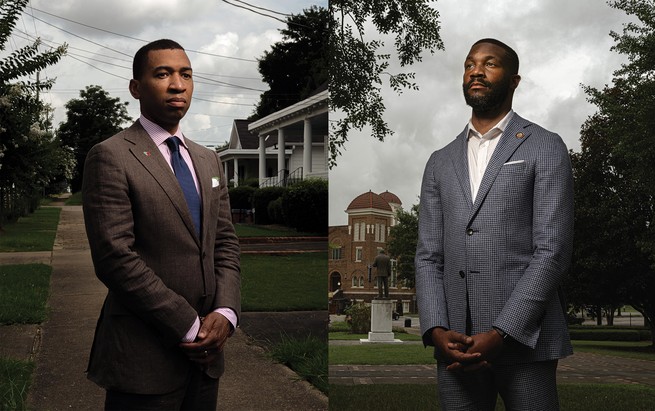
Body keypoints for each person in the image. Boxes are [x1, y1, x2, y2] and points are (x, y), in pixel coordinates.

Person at [415, 38, 574, 410]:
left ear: (514, 80)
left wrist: (503, 332)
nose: (476, 71)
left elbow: (553, 250)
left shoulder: (545, 146)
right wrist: (436, 329)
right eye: (470, 64)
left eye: (490, 64)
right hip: (454, 343)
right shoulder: (439, 161)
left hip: (525, 341)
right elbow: (428, 256)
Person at [82, 39, 241, 410]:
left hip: (206, 359)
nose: (177, 84)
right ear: (136, 87)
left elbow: (225, 245)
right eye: (163, 73)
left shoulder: (209, 160)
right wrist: (189, 325)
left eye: (185, 74)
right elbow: (114, 257)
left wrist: (226, 313)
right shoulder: (111, 156)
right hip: (143, 358)